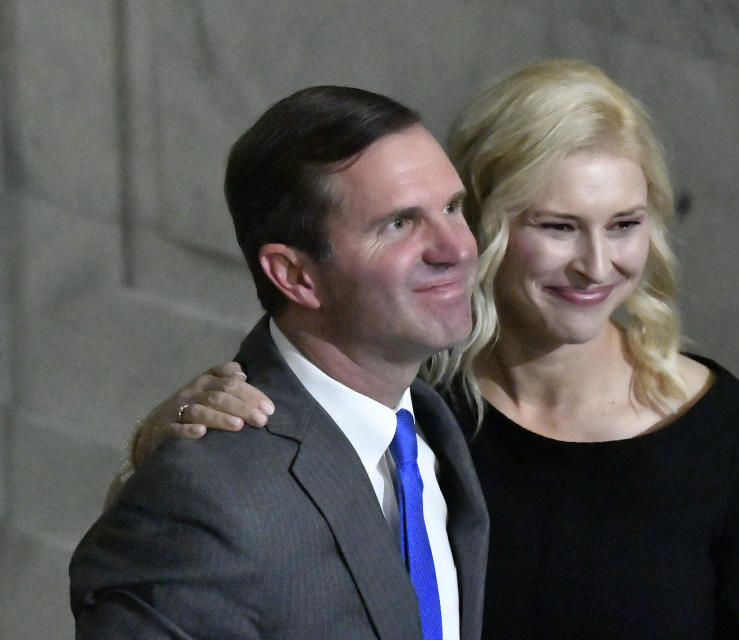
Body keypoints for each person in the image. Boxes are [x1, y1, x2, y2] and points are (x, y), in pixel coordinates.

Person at [124, 60, 739, 639]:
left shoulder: (729, 439)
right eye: (556, 226)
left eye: (624, 224)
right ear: (491, 224)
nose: (596, 265)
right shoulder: (404, 402)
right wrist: (158, 454)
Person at [69, 86, 489, 639]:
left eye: (452, 208)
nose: (455, 248)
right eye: (399, 224)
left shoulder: (439, 428)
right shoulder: (201, 496)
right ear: (295, 276)